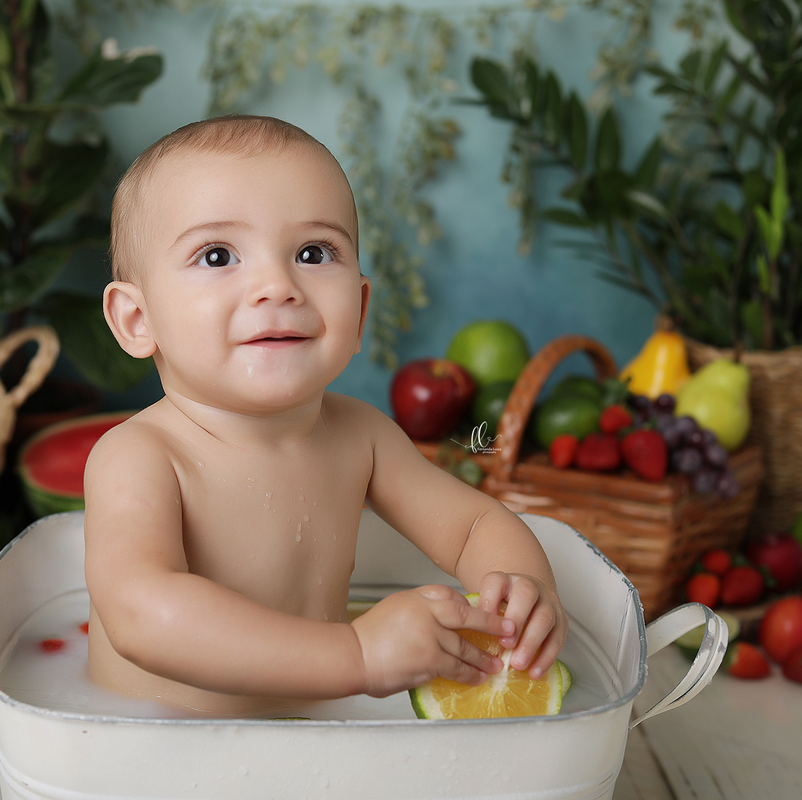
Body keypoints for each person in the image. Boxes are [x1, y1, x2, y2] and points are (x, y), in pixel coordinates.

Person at [83, 115, 567, 717]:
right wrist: (357, 655)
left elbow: (471, 526)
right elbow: (141, 614)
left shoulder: (362, 435)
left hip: (317, 734)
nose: (277, 286)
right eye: (217, 255)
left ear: (359, 312)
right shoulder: (140, 456)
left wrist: (525, 586)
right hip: (155, 741)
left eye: (313, 253)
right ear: (138, 320)